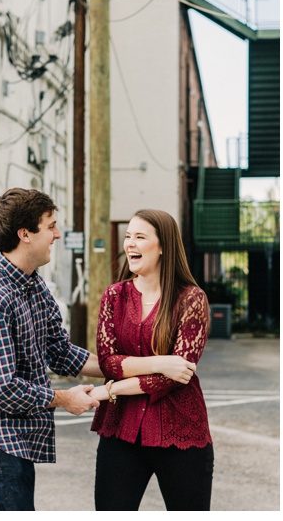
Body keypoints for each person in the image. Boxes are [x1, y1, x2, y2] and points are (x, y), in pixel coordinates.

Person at [0, 187, 105, 511]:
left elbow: (60, 351)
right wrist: (65, 399)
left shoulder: (32, 282)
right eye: (50, 226)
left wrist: (118, 367)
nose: (57, 234)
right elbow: (1, 388)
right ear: (25, 235)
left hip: (16, 430)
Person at [87, 209, 214, 510]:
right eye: (128, 236)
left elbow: (176, 376)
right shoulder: (113, 296)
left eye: (140, 237)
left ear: (162, 247)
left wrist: (111, 390)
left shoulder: (191, 299)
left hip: (180, 433)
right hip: (121, 432)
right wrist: (160, 362)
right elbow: (107, 362)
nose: (129, 244)